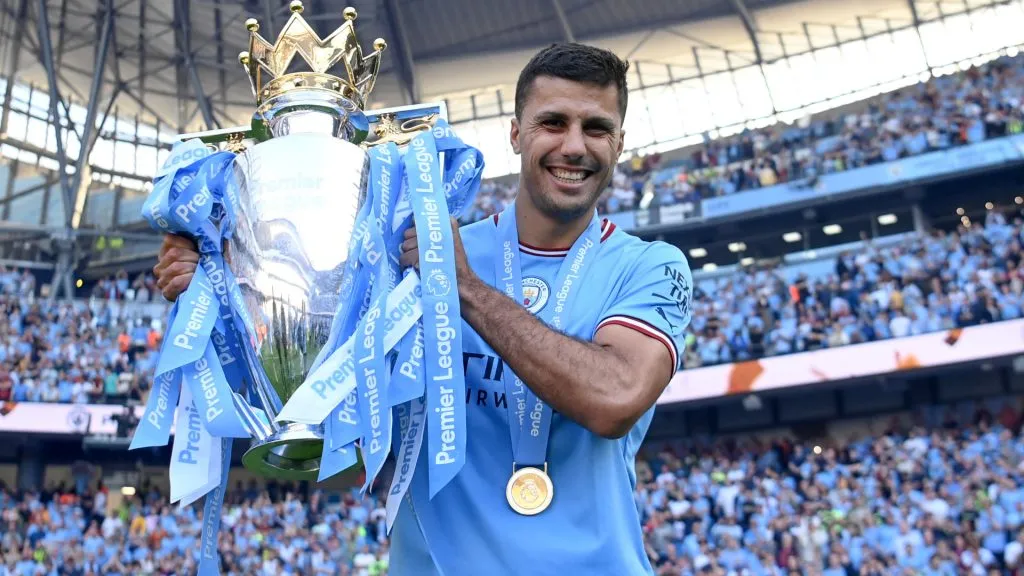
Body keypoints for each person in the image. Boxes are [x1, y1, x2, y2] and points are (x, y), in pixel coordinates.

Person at [154, 43, 693, 575]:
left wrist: (463, 288)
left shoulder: (650, 267)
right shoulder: (408, 254)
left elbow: (615, 399)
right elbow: (347, 454)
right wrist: (229, 293)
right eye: (552, 123)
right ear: (515, 133)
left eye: (596, 128)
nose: (574, 146)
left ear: (619, 141)